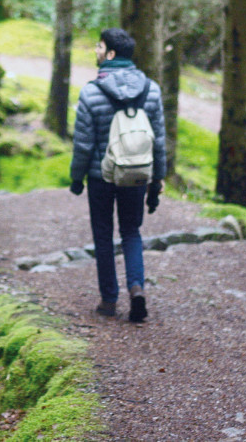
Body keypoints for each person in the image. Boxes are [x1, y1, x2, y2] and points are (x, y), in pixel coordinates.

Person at [69, 28, 166, 322]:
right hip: (137, 175)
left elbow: (83, 144)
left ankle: (109, 301)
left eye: (99, 47)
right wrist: (157, 178)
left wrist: (77, 178)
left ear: (110, 54)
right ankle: (137, 288)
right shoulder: (151, 90)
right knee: (131, 232)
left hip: (102, 177)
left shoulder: (90, 91)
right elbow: (158, 140)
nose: (96, 51)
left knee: (103, 235)